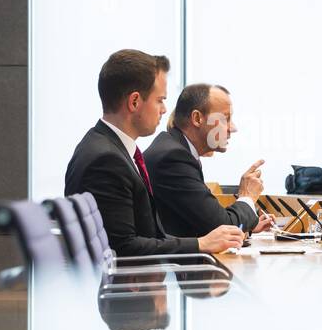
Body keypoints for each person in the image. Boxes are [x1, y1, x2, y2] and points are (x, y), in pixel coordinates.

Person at [63, 49, 245, 256]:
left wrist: (202, 242)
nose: (165, 109)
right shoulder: (107, 160)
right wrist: (200, 244)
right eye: (160, 100)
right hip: (126, 285)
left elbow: (143, 237)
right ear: (134, 102)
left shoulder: (106, 147)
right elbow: (123, 247)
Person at [144, 83, 275, 237]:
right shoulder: (173, 158)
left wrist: (247, 226)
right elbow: (221, 227)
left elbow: (205, 222)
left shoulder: (174, 148)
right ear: (197, 118)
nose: (233, 128)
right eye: (226, 119)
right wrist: (247, 196)